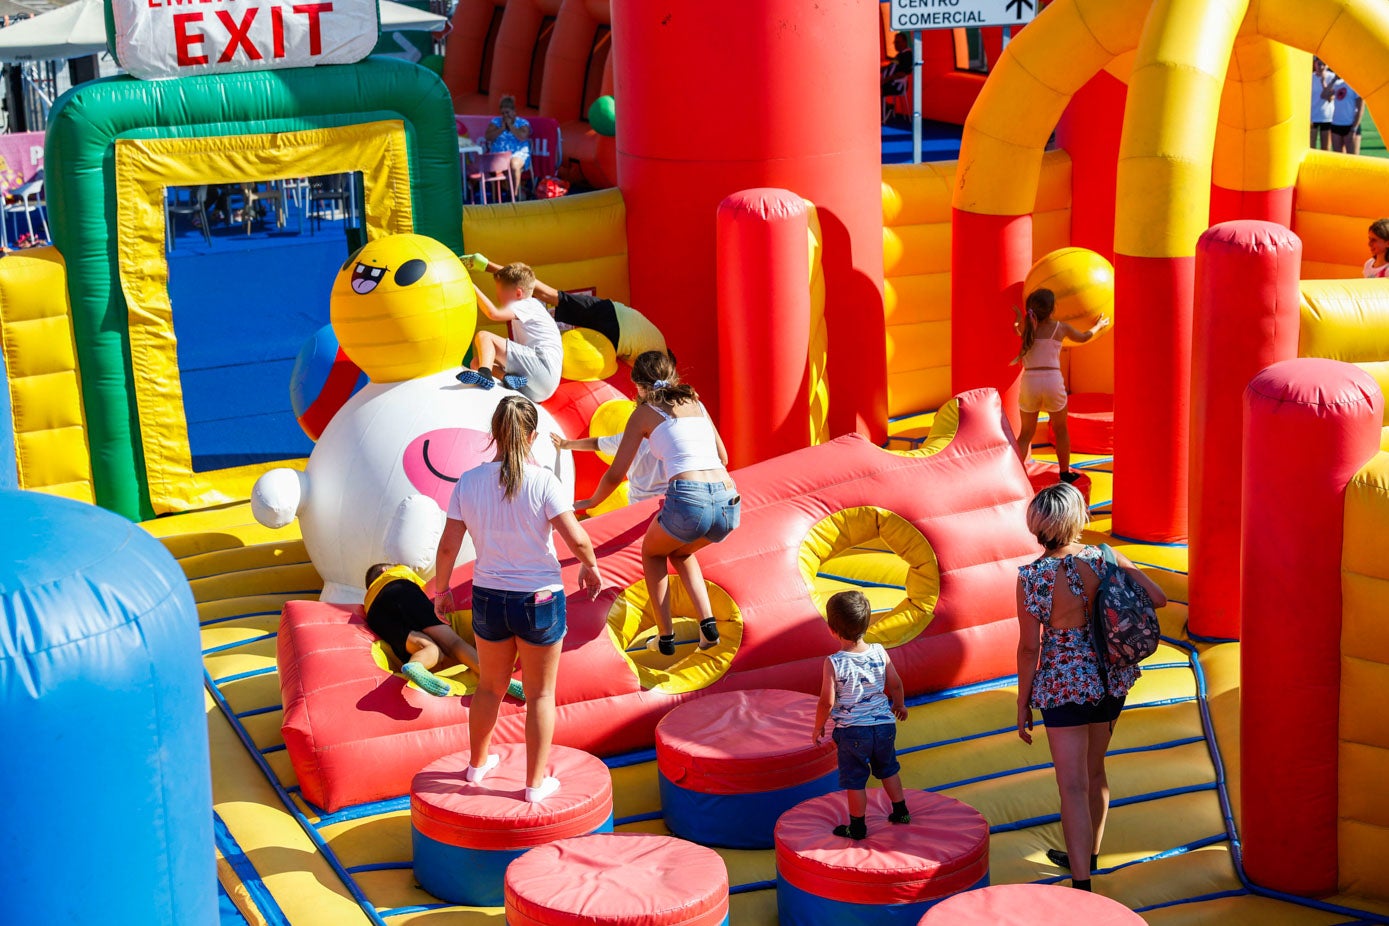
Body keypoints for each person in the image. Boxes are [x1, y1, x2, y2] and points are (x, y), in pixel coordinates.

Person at [433, 395, 603, 802]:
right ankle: (534, 784)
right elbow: (575, 536)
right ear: (531, 436)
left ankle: (476, 766)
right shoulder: (544, 481)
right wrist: (590, 566)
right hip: (539, 598)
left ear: (494, 434)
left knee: (490, 687)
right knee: (541, 695)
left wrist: (440, 591)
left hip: (489, 596)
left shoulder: (469, 482)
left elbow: (447, 546)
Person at [1014, 484, 1168, 891]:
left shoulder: (1031, 578)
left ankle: (1081, 883)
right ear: (1076, 518)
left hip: (1063, 683)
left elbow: (1030, 648)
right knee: (1095, 770)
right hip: (1108, 677)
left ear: (1038, 526)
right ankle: (1091, 855)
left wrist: (1022, 703)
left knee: (1072, 785)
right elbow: (1158, 598)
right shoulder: (1105, 557)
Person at [575, 351, 738, 656]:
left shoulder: (645, 412)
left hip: (691, 500)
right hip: (729, 501)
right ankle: (708, 626)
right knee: (680, 552)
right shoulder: (697, 404)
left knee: (651, 554)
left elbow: (615, 474)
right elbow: (725, 458)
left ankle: (666, 636)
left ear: (638, 386)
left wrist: (590, 501)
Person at [813, 590, 911, 840]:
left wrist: (819, 726)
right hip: (884, 726)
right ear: (867, 624)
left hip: (852, 731)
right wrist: (899, 705)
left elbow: (827, 700)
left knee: (855, 780)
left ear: (832, 630)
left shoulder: (834, 662)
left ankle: (857, 827)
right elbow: (896, 683)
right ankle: (900, 811)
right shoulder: (879, 651)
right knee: (888, 768)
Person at [462, 254, 667, 365]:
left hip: (614, 317)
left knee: (547, 295)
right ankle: (488, 264)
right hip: (612, 321)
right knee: (547, 294)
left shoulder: (655, 346)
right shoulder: (657, 358)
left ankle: (488, 265)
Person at [362, 563, 525, 701]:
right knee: (454, 643)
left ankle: (416, 665)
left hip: (376, 614)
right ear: (384, 570)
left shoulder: (368, 599)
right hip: (400, 590)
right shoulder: (397, 573)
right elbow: (425, 587)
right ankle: (500, 681)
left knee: (428, 648)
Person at [1012, 288, 1110, 483]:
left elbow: (1017, 327)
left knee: (1026, 433)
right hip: (1051, 380)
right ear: (1053, 309)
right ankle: (1064, 472)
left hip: (1031, 379)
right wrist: (1098, 326)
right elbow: (1083, 337)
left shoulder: (1026, 326)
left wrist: (1017, 318)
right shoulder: (1060, 327)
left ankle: (1014, 474)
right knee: (1060, 429)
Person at [458, 262, 564, 403]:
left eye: (501, 295)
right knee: (477, 362)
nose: (499, 299)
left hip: (543, 366)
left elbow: (493, 314)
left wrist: (471, 286)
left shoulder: (527, 304)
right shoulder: (530, 308)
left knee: (484, 336)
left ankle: (484, 375)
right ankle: (506, 378)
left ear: (518, 293)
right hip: (539, 388)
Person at [553, 431, 667, 506]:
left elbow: (613, 477)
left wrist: (592, 501)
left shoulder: (631, 437)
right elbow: (596, 444)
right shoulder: (675, 440)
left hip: (640, 509)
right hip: (667, 509)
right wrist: (566, 444)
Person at [484, 94, 532, 199]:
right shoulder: (496, 122)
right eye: (503, 113)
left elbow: (523, 136)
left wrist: (510, 126)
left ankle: (514, 195)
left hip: (518, 154)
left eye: (507, 112)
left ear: (514, 111)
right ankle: (497, 197)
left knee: (514, 163)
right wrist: (501, 128)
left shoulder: (522, 123)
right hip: (499, 156)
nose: (505, 115)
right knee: (492, 165)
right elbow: (488, 137)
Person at [881, 33, 913, 125]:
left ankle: (886, 110)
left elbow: (902, 73)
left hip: (897, 85)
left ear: (905, 42)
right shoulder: (899, 55)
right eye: (895, 42)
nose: (895, 44)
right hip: (889, 83)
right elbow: (890, 67)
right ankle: (888, 107)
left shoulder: (907, 56)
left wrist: (885, 80)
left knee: (876, 90)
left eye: (898, 42)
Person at [1329, 78, 1364, 155]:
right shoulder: (1337, 84)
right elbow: (1324, 95)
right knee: (1338, 159)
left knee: (1353, 160)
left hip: (1350, 125)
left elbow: (1361, 108)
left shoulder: (1356, 86)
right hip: (1336, 124)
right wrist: (1333, 80)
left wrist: (1354, 128)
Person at [1311, 57, 1337, 150]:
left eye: (1324, 64)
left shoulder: (1332, 77)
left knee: (1325, 148)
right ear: (1315, 64)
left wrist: (1323, 82)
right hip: (1312, 116)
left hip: (1327, 117)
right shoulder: (1310, 77)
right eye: (1319, 64)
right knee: (1311, 147)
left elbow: (1330, 98)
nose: (1321, 67)